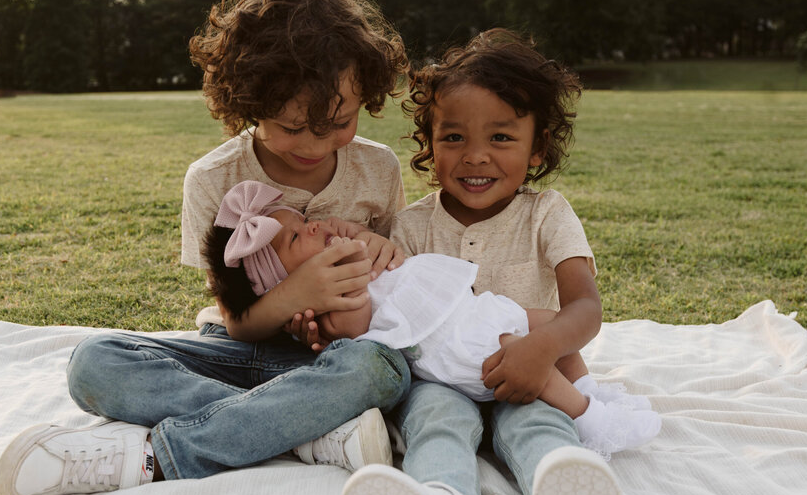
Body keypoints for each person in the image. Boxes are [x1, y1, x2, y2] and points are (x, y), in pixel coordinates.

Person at [0, 0, 412, 495]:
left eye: (339, 123)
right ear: (248, 102)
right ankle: (309, 433)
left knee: (380, 369)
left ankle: (161, 457)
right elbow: (239, 324)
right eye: (291, 127)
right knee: (94, 361)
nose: (314, 144)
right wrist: (296, 294)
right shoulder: (214, 179)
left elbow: (401, 296)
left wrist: (388, 256)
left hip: (330, 365)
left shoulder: (378, 171)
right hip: (234, 356)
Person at [340, 29, 659, 495]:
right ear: (430, 144)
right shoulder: (412, 227)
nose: (476, 155)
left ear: (537, 150)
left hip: (530, 370)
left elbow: (586, 306)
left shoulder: (547, 214)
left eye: (502, 137)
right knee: (435, 423)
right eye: (454, 137)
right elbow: (393, 314)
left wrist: (543, 347)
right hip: (441, 381)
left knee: (540, 424)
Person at [205, 180, 660, 443]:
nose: (317, 225)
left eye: (305, 220)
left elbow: (378, 255)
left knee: (551, 326)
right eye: (299, 236)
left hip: (473, 311)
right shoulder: (328, 310)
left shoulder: (349, 251)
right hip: (455, 344)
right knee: (525, 355)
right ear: (283, 285)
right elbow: (359, 324)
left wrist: (345, 239)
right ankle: (590, 420)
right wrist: (348, 266)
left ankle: (590, 390)